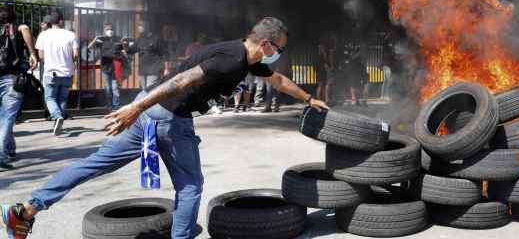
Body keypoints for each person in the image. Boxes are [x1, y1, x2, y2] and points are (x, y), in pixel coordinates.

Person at [0, 17, 328, 238]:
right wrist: (135, 108)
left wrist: (309, 98)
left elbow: (280, 80)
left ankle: (25, 210)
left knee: (93, 164)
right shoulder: (231, 60)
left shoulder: (242, 56)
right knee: (190, 187)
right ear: (267, 44)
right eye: (280, 49)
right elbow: (184, 79)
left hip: (150, 111)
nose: (279, 55)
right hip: (167, 118)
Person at [0, 7, 38, 171]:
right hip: (13, 79)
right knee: (7, 118)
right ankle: (1, 154)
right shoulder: (18, 28)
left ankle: (9, 149)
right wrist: (32, 53)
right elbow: (25, 28)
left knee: (4, 117)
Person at [35, 12, 79, 136]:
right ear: (61, 21)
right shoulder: (71, 34)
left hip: (51, 72)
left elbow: (41, 55)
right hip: (67, 72)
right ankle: (59, 120)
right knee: (62, 98)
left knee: (50, 98)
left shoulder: (43, 35)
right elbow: (75, 55)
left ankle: (57, 116)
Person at [88, 23, 126, 112]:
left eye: (111, 29)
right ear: (105, 30)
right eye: (108, 29)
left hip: (115, 67)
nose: (110, 31)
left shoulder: (118, 39)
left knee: (115, 87)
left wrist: (124, 44)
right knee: (108, 88)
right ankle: (109, 105)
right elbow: (90, 47)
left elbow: (123, 50)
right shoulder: (102, 39)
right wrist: (95, 39)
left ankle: (116, 106)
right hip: (105, 67)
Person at [127, 21, 169, 88]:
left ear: (146, 26)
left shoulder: (156, 38)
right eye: (139, 25)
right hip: (142, 70)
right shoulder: (139, 39)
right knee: (144, 90)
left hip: (154, 69)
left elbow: (165, 53)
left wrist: (166, 68)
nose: (139, 27)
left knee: (150, 89)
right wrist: (125, 45)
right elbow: (131, 51)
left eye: (141, 25)